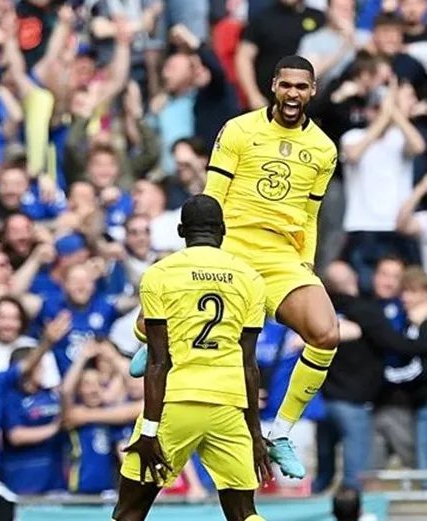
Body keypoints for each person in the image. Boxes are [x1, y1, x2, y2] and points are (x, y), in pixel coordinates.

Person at [133, 55, 340, 480]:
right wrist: (205, 250)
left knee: (326, 334)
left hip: (282, 256)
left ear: (313, 90)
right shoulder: (239, 129)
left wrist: (307, 263)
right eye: (286, 86)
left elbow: (310, 214)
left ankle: (280, 433)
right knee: (146, 316)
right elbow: (212, 197)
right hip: (232, 244)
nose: (293, 95)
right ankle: (151, 339)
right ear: (273, 86)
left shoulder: (324, 149)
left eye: (302, 87)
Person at [112, 194, 271, 521]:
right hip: (228, 404)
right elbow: (249, 364)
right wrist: (255, 433)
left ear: (181, 230)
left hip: (176, 403)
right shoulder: (250, 278)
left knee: (130, 510)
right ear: (223, 231)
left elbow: (157, 361)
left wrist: (149, 431)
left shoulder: (160, 274)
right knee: (244, 513)